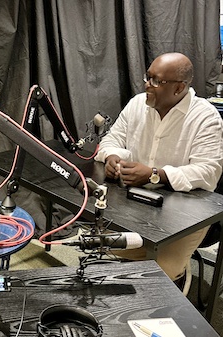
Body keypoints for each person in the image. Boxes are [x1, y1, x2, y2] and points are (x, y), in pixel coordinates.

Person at [94, 52, 223, 289]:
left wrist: (155, 174)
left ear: (179, 88)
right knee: (100, 254)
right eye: (147, 77)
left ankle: (179, 279)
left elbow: (208, 172)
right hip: (136, 201)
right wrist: (112, 156)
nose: (147, 85)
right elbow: (111, 140)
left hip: (186, 212)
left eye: (156, 81)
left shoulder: (205, 117)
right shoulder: (137, 104)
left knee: (158, 276)